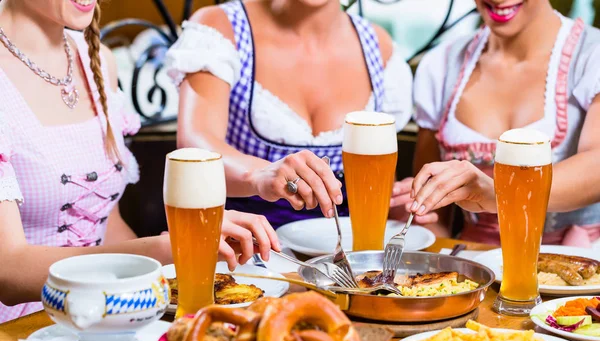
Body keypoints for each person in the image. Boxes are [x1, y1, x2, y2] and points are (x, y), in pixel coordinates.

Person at [0, 0, 279, 323]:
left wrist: (185, 244)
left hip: (103, 320)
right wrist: (159, 252)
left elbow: (107, 226)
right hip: (17, 336)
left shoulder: (99, 62)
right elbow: (7, 271)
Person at [166, 0, 417, 229]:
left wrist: (399, 204)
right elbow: (194, 150)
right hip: (248, 255)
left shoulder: (378, 45)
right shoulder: (220, 27)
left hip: (349, 263)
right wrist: (258, 174)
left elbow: (379, 178)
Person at [403, 0, 600, 246]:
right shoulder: (442, 63)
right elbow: (435, 219)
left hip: (574, 266)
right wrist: (411, 208)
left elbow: (597, 167)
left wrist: (499, 193)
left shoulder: (593, 54)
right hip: (471, 266)